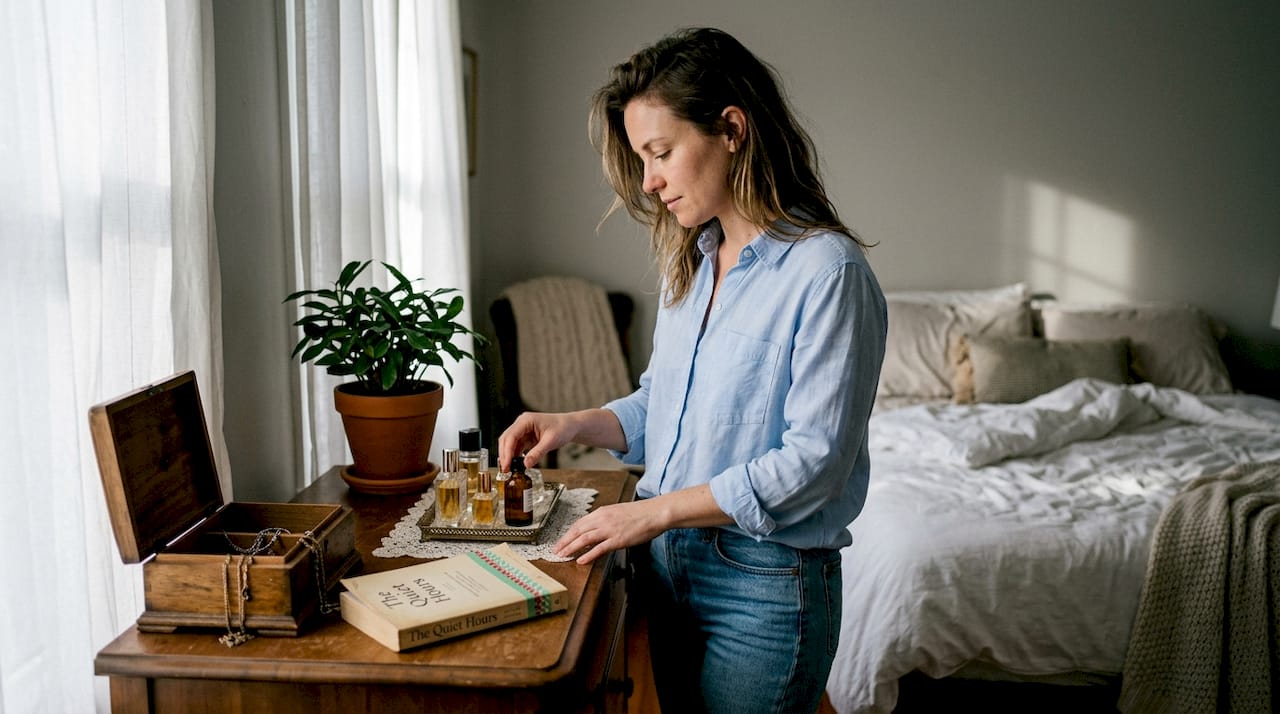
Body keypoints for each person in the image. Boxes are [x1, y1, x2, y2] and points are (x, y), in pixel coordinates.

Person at [497, 26, 887, 714]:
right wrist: (575, 422)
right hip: (671, 564)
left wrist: (649, 514)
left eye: (661, 153)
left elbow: (815, 463)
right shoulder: (692, 264)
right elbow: (666, 408)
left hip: (764, 583)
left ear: (731, 129)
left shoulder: (829, 274)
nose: (648, 182)